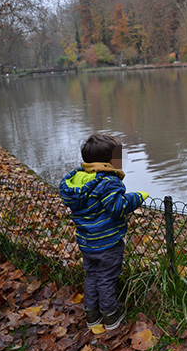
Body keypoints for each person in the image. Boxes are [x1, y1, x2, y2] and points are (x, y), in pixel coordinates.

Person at [59, 134, 148, 330]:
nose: (122, 160)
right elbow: (117, 207)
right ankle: (110, 315)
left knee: (92, 276)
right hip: (108, 242)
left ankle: (92, 314)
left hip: (87, 241)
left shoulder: (78, 179)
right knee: (107, 278)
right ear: (109, 161)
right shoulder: (108, 182)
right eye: (119, 157)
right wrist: (137, 197)